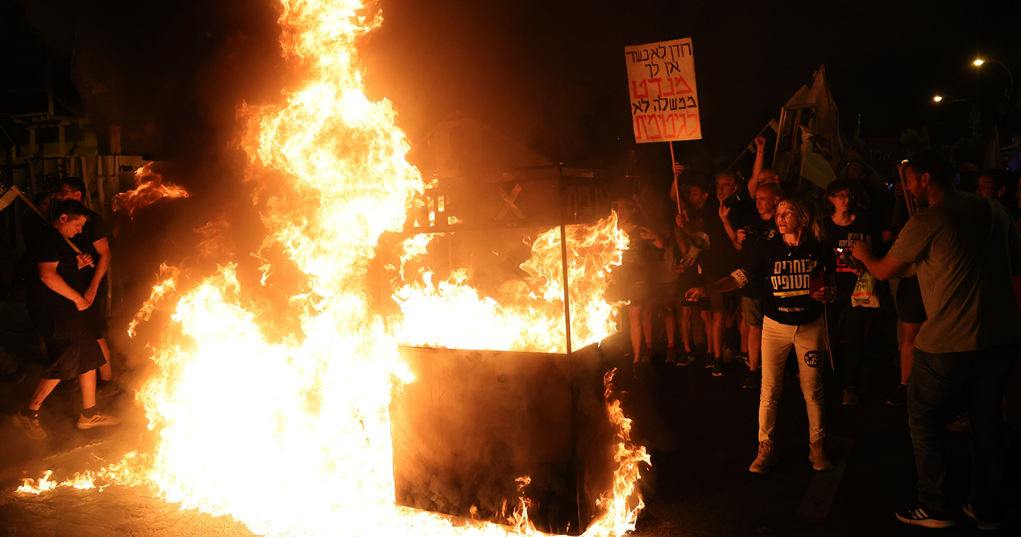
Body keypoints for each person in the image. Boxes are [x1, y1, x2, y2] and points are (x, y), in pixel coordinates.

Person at [851, 150, 1020, 530]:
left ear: (926, 179)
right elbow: (1013, 262)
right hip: (1003, 336)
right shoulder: (994, 210)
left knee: (924, 416)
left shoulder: (928, 219)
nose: (907, 185)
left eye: (909, 179)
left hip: (949, 339)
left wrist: (862, 253)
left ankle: (936, 503)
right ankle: (988, 509)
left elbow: (882, 271)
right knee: (988, 423)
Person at [687, 194, 836, 474]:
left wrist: (829, 294)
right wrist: (706, 289)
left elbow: (829, 286)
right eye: (778, 213)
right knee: (769, 390)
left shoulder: (819, 250)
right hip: (775, 327)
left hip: (809, 326)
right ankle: (765, 449)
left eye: (788, 212)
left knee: (813, 390)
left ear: (802, 219)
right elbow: (739, 277)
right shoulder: (768, 250)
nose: (780, 218)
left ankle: (817, 448)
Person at [10, 199, 121, 440]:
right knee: (67, 357)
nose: (80, 230)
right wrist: (78, 299)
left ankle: (89, 414)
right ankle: (28, 414)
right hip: (52, 310)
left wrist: (78, 266)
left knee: (89, 353)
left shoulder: (59, 239)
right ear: (63, 218)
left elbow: (60, 269)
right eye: (78, 224)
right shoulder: (49, 237)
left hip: (68, 308)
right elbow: (47, 276)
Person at [54, 178, 118, 395]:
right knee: (80, 334)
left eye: (64, 192)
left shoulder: (93, 222)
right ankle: (81, 376)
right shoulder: (61, 222)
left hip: (89, 287)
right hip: (72, 287)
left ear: (78, 194)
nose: (59, 196)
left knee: (95, 333)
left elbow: (105, 254)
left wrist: (92, 288)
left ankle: (107, 381)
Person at [822, 179, 876, 406]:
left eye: (848, 196)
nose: (845, 200)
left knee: (854, 336)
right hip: (832, 286)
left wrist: (862, 263)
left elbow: (870, 250)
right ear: (830, 198)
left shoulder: (861, 222)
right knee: (827, 335)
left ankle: (849, 385)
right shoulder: (824, 225)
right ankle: (826, 381)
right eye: (840, 195)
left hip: (858, 286)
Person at [733, 183, 782, 389]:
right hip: (752, 282)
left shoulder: (782, 221)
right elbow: (738, 246)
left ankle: (776, 369)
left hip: (775, 283)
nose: (759, 203)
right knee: (754, 327)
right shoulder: (751, 219)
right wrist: (738, 237)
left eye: (763, 199)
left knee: (777, 328)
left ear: (775, 200)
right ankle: (753, 370)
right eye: (757, 199)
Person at [703, 171, 752, 376]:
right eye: (718, 185)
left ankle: (744, 352)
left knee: (743, 313)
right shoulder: (709, 209)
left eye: (726, 185)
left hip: (739, 269)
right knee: (719, 313)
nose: (721, 189)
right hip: (716, 269)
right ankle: (716, 357)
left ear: (735, 188)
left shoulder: (741, 207)